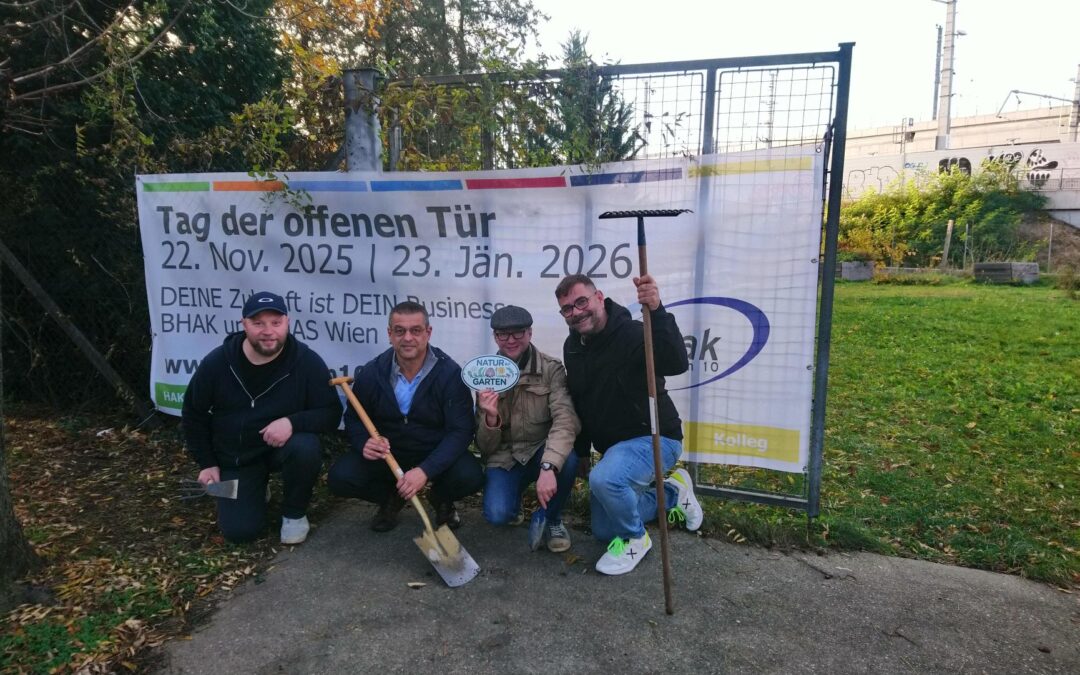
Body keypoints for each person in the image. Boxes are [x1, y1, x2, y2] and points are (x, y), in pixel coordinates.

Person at [554, 273, 703, 575]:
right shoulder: (573, 347)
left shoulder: (634, 333)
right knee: (604, 530)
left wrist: (658, 309)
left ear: (599, 298)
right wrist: (582, 451)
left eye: (581, 301)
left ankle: (636, 538)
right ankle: (674, 493)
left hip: (656, 438)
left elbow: (676, 362)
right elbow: (579, 400)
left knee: (606, 480)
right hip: (615, 450)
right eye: (567, 309)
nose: (576, 312)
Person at [182, 291, 342, 545]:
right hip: (236, 457)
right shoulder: (218, 362)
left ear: (287, 323)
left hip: (279, 449)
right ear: (244, 324)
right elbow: (193, 413)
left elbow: (331, 413)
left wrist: (291, 423)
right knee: (239, 532)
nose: (268, 331)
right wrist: (206, 462)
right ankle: (247, 490)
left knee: (305, 446)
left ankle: (294, 514)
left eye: (276, 323)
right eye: (258, 323)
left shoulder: (306, 361)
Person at [328, 301, 482, 532]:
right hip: (390, 455)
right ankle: (391, 498)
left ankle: (441, 499)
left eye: (416, 330)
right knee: (341, 477)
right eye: (400, 331)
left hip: (433, 451)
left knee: (470, 476)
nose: (408, 337)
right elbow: (353, 419)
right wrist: (364, 443)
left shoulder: (449, 374)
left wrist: (425, 470)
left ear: (428, 333)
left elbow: (460, 431)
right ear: (390, 334)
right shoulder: (373, 372)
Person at [475, 305, 581, 552]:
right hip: (504, 456)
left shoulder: (551, 369)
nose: (510, 340)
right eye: (503, 334)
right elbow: (485, 446)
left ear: (530, 333)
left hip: (539, 450)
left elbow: (566, 420)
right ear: (495, 337)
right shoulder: (483, 374)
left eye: (518, 333)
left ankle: (552, 517)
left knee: (568, 460)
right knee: (498, 515)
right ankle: (515, 501)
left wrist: (549, 465)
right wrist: (490, 418)